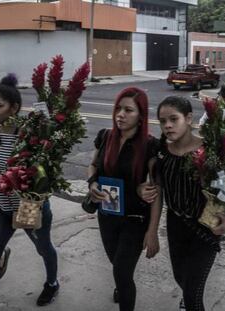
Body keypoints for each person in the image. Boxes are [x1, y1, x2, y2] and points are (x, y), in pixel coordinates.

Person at [141, 96, 225, 311]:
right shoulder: (161, 155)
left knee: (194, 295)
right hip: (176, 226)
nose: (167, 125)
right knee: (182, 278)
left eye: (173, 119)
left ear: (188, 118)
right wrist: (152, 232)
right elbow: (157, 194)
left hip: (206, 228)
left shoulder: (210, 152)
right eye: (162, 121)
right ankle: (186, 297)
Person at [0, 74, 59, 311]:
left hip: (28, 207)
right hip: (1, 208)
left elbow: (46, 170)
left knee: (43, 248)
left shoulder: (30, 136)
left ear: (15, 107)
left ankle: (52, 283)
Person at [87, 87, 162, 311]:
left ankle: (124, 291)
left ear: (141, 116)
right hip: (107, 215)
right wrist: (92, 184)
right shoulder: (105, 136)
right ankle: (122, 285)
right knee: (117, 265)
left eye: (128, 110)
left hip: (135, 218)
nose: (120, 114)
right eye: (118, 108)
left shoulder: (150, 145)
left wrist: (152, 231)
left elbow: (157, 192)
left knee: (121, 270)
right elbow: (92, 165)